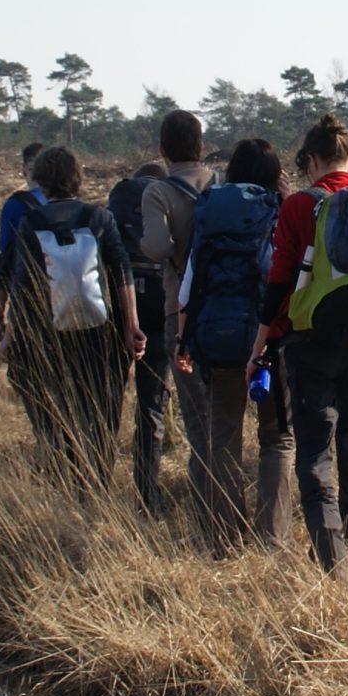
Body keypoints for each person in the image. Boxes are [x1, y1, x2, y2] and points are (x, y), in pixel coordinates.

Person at [251, 116, 348, 571]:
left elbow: (280, 278)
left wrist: (261, 342)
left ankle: (330, 552)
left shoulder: (299, 206)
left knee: (314, 448)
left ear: (311, 160)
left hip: (309, 342)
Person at [0, 145, 147, 486]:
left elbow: (21, 287)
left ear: (42, 181)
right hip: (98, 335)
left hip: (47, 339)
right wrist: (132, 326)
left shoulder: (30, 222)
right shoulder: (99, 218)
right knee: (100, 412)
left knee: (55, 412)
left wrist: (7, 334)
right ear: (77, 177)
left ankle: (63, 479)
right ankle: (98, 482)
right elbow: (122, 273)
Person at [177, 137, 290, 547]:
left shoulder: (210, 211)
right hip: (271, 342)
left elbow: (190, 285)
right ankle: (271, 539)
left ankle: (224, 537)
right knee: (276, 437)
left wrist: (183, 338)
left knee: (222, 436)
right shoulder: (278, 212)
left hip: (218, 338)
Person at [109, 115, 197, 515]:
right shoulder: (176, 194)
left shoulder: (120, 196)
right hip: (162, 303)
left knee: (108, 399)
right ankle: (149, 495)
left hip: (120, 304)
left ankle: (97, 484)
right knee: (152, 402)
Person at [140, 110, 219, 505]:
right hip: (224, 311)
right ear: (200, 145)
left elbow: (155, 247)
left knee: (196, 418)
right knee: (223, 415)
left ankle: (207, 510)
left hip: (179, 310)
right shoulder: (220, 184)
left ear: (162, 150)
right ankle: (231, 501)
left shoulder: (157, 192)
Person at [0, 141, 47, 259]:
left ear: (24, 171)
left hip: (27, 274)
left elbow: (4, 250)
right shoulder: (71, 204)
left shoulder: (15, 205)